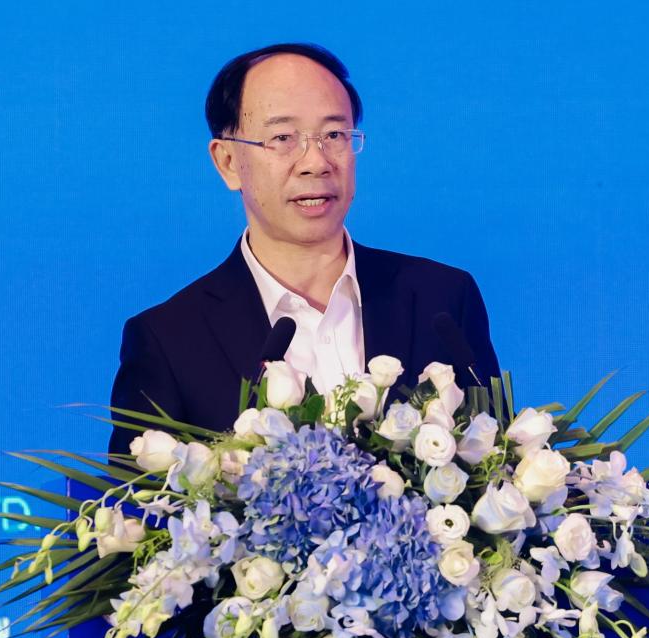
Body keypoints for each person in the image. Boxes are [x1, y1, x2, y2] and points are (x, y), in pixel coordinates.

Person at [108, 43, 500, 458]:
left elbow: (498, 463)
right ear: (227, 162)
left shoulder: (443, 301)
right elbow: (135, 495)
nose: (316, 161)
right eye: (282, 138)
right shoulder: (170, 340)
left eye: (334, 135)